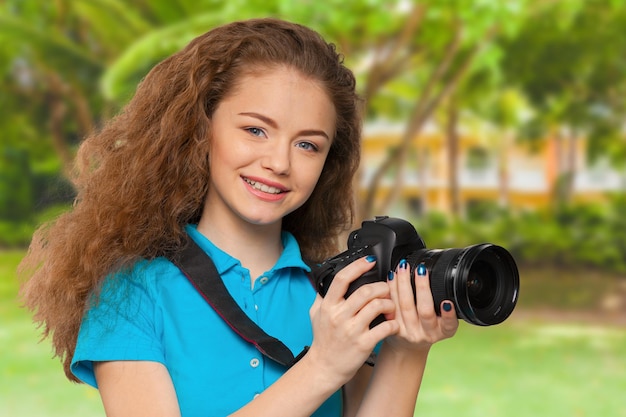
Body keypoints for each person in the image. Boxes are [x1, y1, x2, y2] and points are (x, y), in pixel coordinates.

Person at [19, 18, 458, 416]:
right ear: (200, 128)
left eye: (308, 144)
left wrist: (405, 351)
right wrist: (322, 366)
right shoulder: (133, 292)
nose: (279, 162)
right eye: (255, 130)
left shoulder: (335, 297)